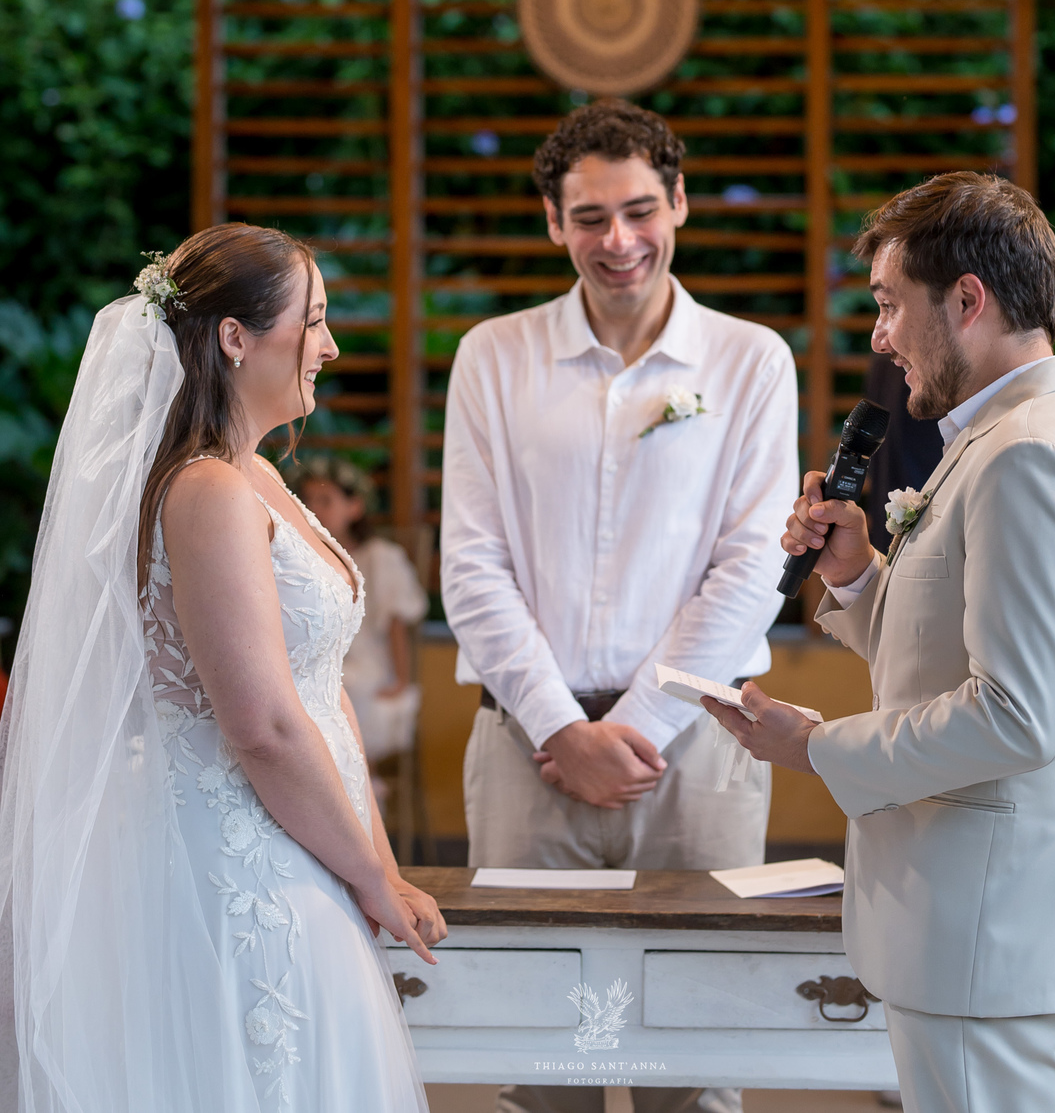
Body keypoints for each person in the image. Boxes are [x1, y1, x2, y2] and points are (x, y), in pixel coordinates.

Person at [703, 172, 1055, 1113]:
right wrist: (857, 576)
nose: (880, 336)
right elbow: (954, 653)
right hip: (984, 920)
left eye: (890, 304)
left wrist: (815, 745)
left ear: (968, 300)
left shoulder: (1028, 455)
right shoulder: (1013, 434)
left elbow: (1015, 715)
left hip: (989, 921)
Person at [0, 224, 445, 1111]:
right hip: (244, 863)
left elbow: (321, 686)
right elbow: (265, 724)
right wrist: (367, 876)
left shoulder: (262, 479)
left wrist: (380, 861)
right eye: (314, 321)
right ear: (236, 337)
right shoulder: (207, 492)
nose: (330, 346)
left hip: (310, 839)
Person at [441, 100, 798, 1113]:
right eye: (590, 217)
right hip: (526, 752)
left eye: (640, 210)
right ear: (554, 221)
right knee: (541, 1069)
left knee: (694, 1069)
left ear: (679, 203)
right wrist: (561, 727)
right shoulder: (493, 355)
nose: (618, 240)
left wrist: (635, 725)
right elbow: (470, 565)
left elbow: (751, 568)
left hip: (700, 752)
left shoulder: (750, 360)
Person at [289, 456, 429, 767]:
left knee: (345, 687)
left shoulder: (379, 557)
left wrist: (401, 680)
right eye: (309, 500)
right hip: (318, 658)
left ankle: (357, 777)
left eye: (326, 500)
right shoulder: (301, 558)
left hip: (368, 661)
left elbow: (395, 623)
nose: (314, 508)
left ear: (355, 507)